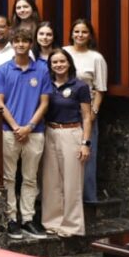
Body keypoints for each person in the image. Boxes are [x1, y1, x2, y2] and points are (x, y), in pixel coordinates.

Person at [0, 29, 52, 239]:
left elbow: (45, 102)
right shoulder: (2, 69)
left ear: (30, 44)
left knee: (30, 178)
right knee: (8, 177)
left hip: (34, 132)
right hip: (9, 131)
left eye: (24, 41)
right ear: (12, 44)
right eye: (16, 41)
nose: (20, 45)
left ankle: (27, 219)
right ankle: (11, 219)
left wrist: (29, 126)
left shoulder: (42, 70)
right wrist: (16, 126)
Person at [41, 48, 93, 238]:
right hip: (50, 132)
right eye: (55, 62)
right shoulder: (46, 85)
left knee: (72, 181)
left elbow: (87, 117)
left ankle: (72, 225)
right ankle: (52, 222)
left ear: (69, 63)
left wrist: (85, 143)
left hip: (72, 133)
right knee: (51, 180)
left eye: (62, 61)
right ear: (50, 65)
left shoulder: (80, 86)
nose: (59, 65)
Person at [64, 18, 108, 203]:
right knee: (66, 156)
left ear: (89, 35)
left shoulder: (96, 58)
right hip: (63, 111)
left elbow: (100, 89)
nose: (79, 35)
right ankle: (66, 199)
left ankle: (88, 200)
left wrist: (93, 113)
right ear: (71, 33)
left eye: (84, 32)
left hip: (86, 112)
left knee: (87, 155)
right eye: (76, 31)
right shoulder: (64, 52)